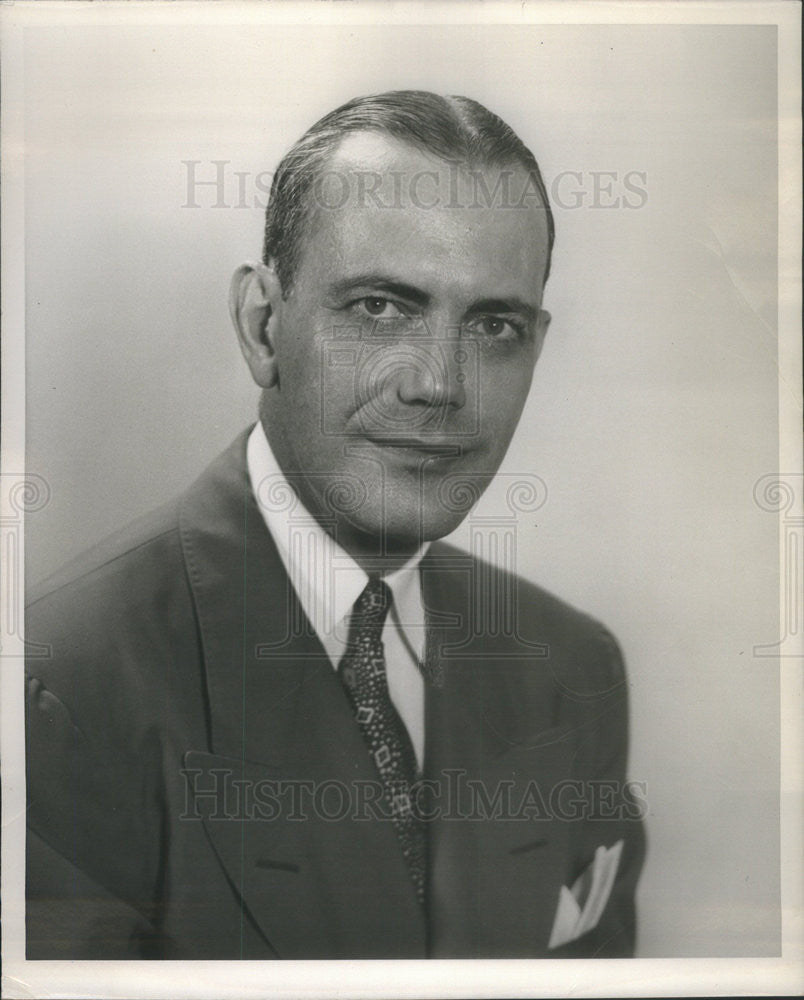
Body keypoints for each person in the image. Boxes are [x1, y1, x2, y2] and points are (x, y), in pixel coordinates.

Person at [25, 91, 645, 960]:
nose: (440, 385)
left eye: (494, 325)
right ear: (261, 325)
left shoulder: (571, 668)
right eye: (381, 309)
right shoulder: (60, 689)